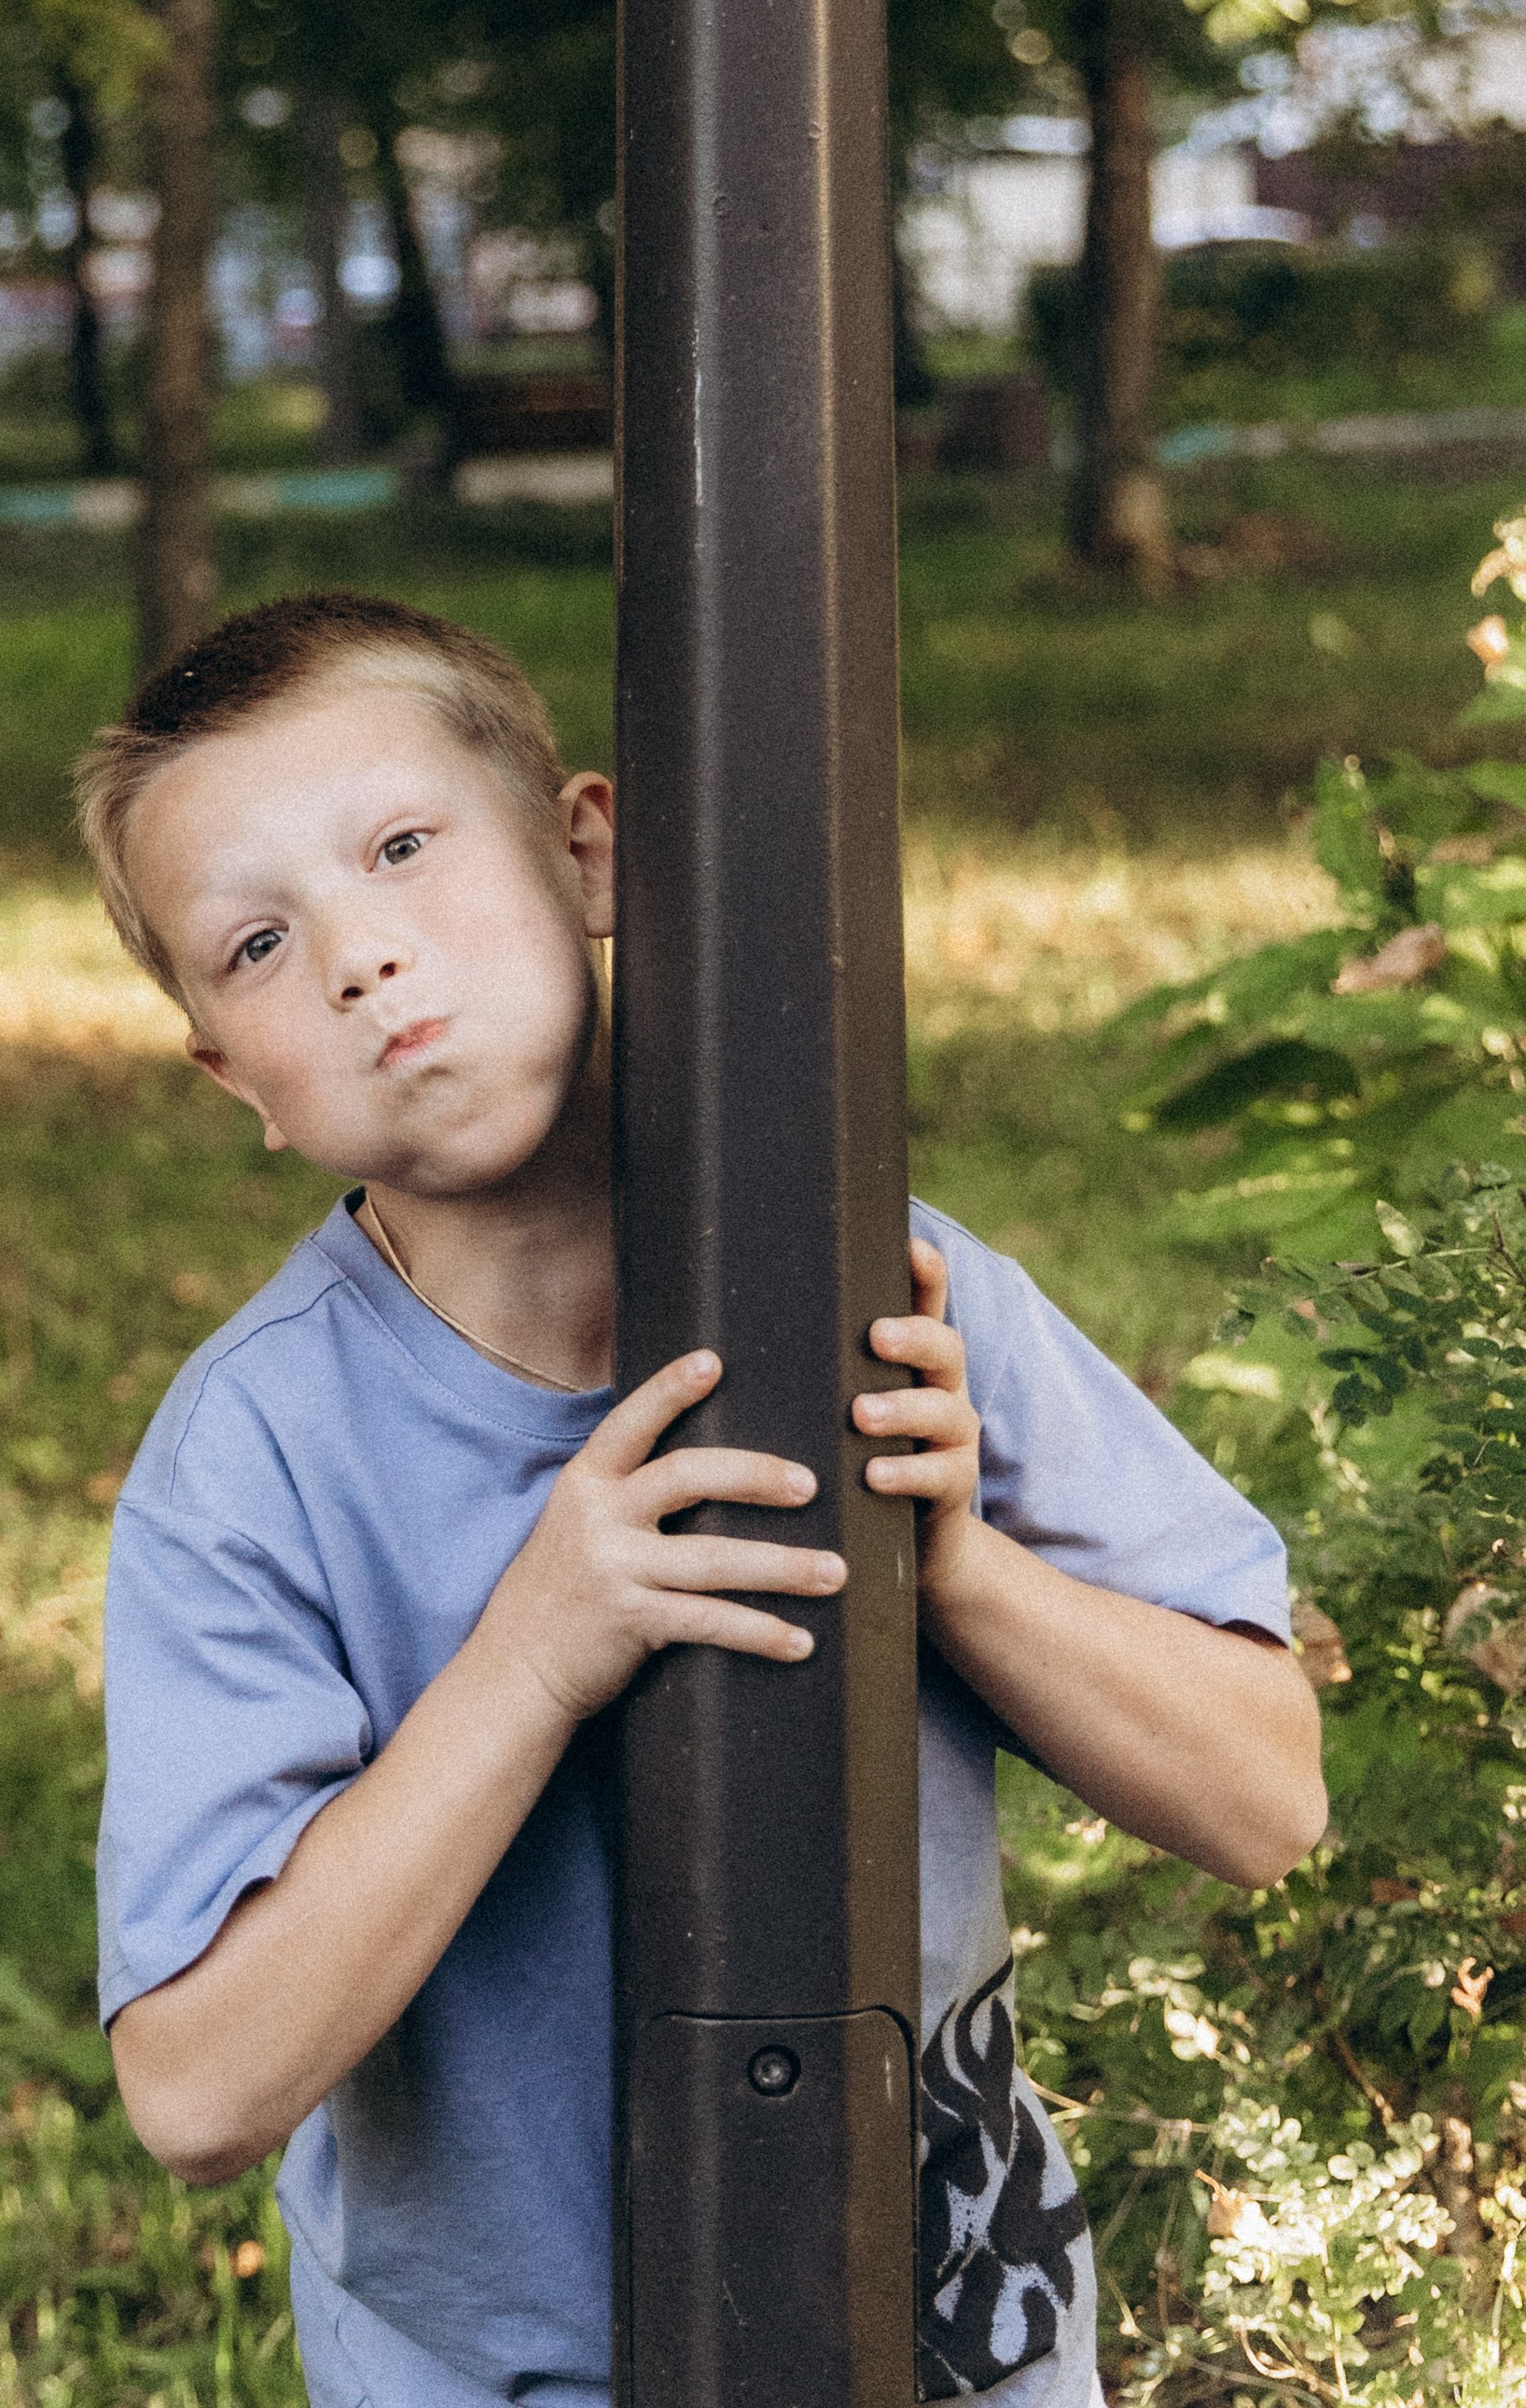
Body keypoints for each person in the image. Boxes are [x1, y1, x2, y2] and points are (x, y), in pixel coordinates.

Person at [76, 590, 1325, 2408]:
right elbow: (191, 2093)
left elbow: (1270, 1796)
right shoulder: (253, 1462)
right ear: (227, 1074)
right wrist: (527, 1661)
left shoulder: (896, 1291)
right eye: (257, 944)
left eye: (406, 848)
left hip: (948, 2342)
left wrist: (957, 1572)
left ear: (590, 851)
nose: (356, 958)